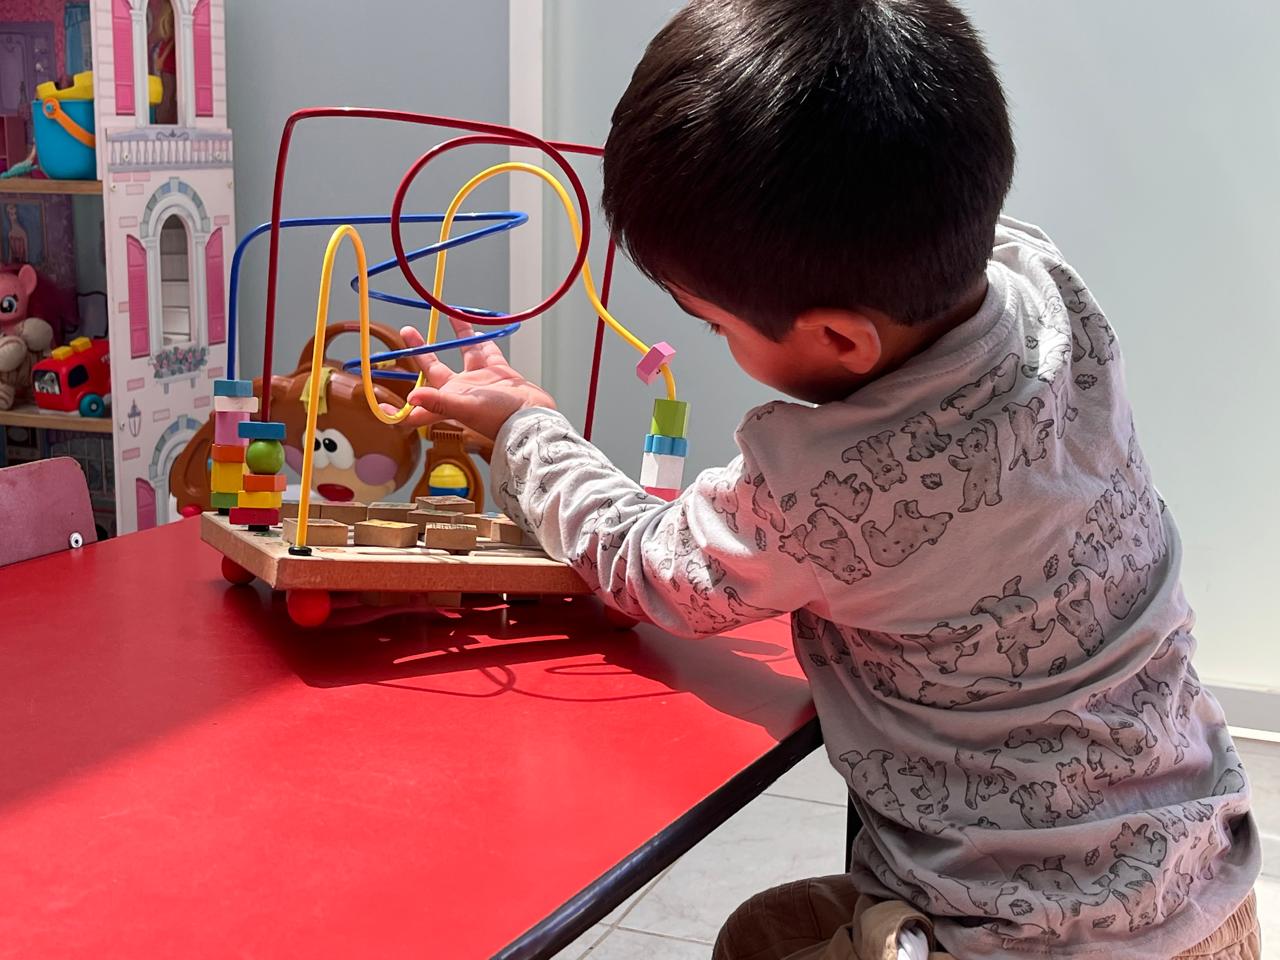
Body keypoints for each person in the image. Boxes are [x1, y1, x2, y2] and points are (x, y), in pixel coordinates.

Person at [395, 1, 1260, 956]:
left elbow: (642, 563)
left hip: (1015, 938)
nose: (715, 339)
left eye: (715, 324)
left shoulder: (828, 489)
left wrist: (524, 426)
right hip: (1205, 878)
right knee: (773, 927)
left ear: (843, 339)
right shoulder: (1049, 290)